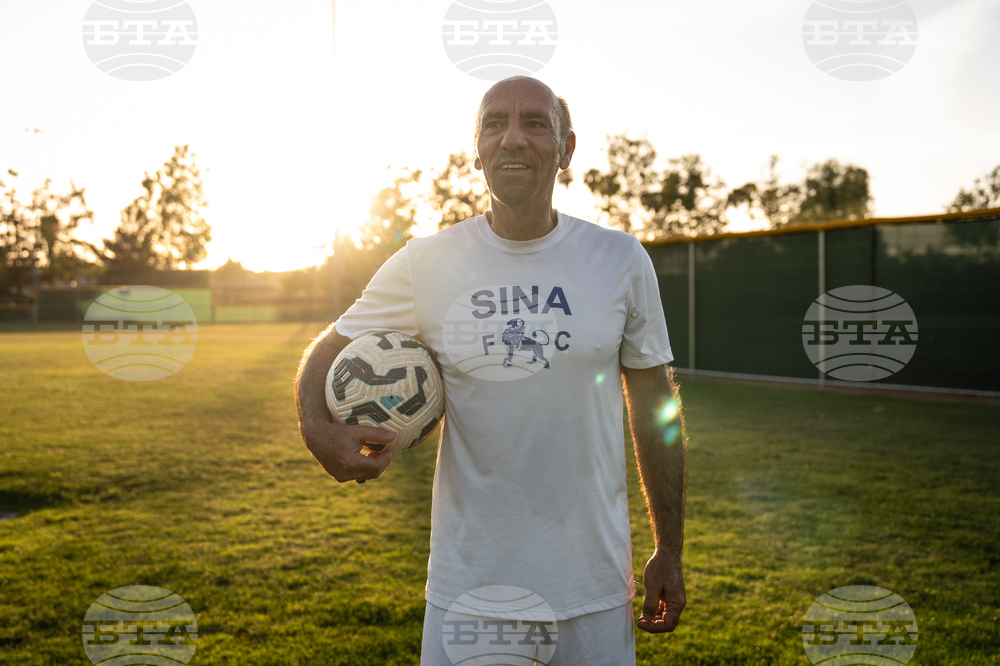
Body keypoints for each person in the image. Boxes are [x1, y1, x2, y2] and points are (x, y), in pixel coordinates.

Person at [295, 76, 687, 665]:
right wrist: (317, 429)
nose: (512, 139)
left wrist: (669, 550)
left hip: (595, 586)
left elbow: (656, 408)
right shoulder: (426, 262)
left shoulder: (620, 259)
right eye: (493, 125)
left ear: (567, 148)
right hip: (471, 590)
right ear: (476, 150)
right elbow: (333, 343)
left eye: (534, 123)